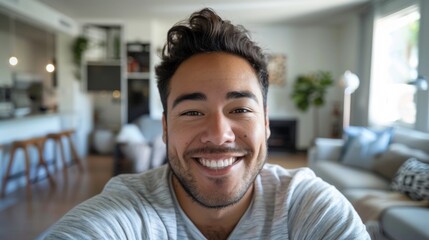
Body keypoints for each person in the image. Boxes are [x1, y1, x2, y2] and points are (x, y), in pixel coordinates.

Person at [45, 8, 369, 239]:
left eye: (240, 109)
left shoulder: (307, 207)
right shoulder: (128, 212)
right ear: (166, 127)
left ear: (267, 123)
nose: (218, 134)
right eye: (192, 112)